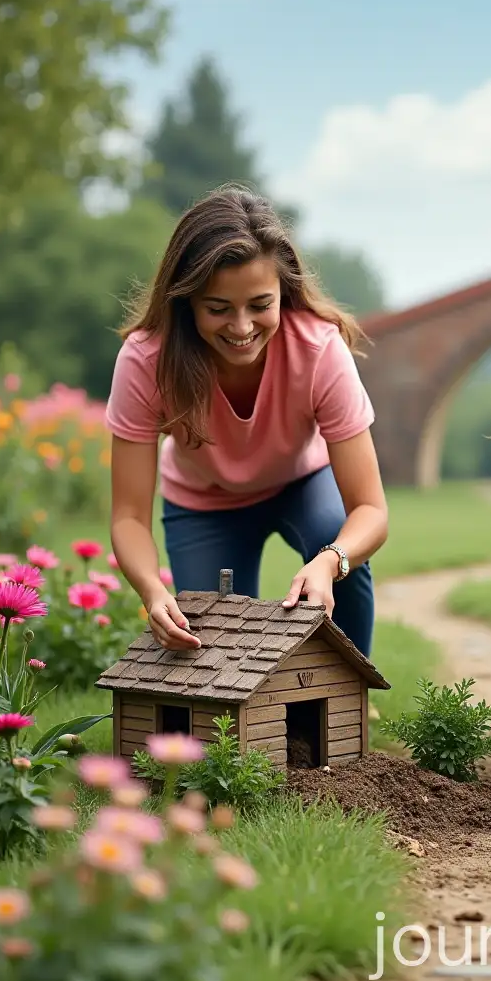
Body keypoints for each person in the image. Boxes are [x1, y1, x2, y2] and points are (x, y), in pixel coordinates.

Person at [104, 184, 388, 658]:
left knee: (334, 534)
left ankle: (347, 694)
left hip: (304, 482)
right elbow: (129, 516)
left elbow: (371, 512)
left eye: (260, 305)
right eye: (218, 309)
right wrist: (153, 592)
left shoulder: (319, 350)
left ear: (284, 292)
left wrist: (330, 561)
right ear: (187, 300)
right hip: (203, 501)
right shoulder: (145, 359)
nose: (241, 328)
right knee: (208, 647)